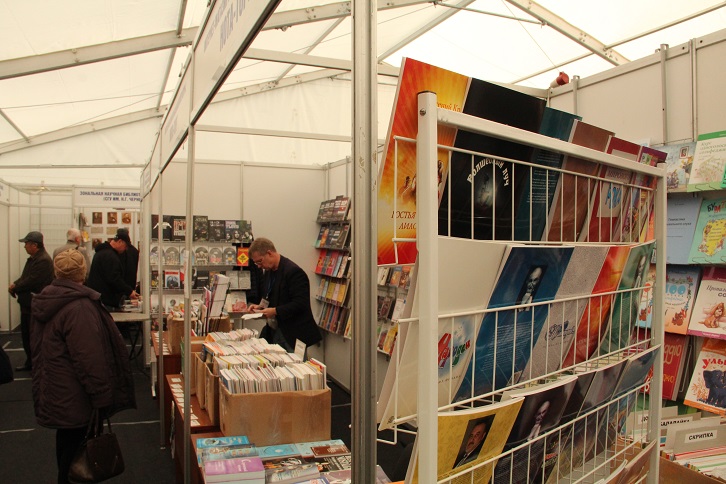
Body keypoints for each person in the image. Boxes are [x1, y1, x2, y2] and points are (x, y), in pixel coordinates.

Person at [30, 249, 136, 484]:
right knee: (77, 455)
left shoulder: (46, 300)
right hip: (76, 394)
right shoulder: (79, 307)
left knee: (67, 447)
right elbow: (89, 358)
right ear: (83, 272)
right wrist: (102, 396)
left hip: (55, 389)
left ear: (56, 272)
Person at [247, 238, 322, 352]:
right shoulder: (269, 271)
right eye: (256, 263)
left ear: (269, 253)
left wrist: (275, 311)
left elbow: (300, 303)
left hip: (293, 333)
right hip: (274, 330)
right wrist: (260, 307)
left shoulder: (294, 272)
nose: (258, 266)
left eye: (260, 261)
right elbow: (269, 296)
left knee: (295, 363)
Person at [8, 231, 54, 371]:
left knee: (33, 336)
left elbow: (32, 281)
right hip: (29, 303)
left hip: (34, 304)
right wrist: (15, 284)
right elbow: (25, 277)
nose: (24, 246)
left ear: (34, 245)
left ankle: (36, 363)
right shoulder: (35, 259)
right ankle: (31, 362)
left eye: (26, 244)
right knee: (28, 335)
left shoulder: (43, 260)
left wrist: (15, 287)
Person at [86, 233, 139, 310]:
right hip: (105, 301)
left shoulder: (102, 252)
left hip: (98, 299)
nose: (125, 249)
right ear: (120, 241)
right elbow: (114, 279)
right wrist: (129, 291)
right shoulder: (110, 256)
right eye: (125, 246)